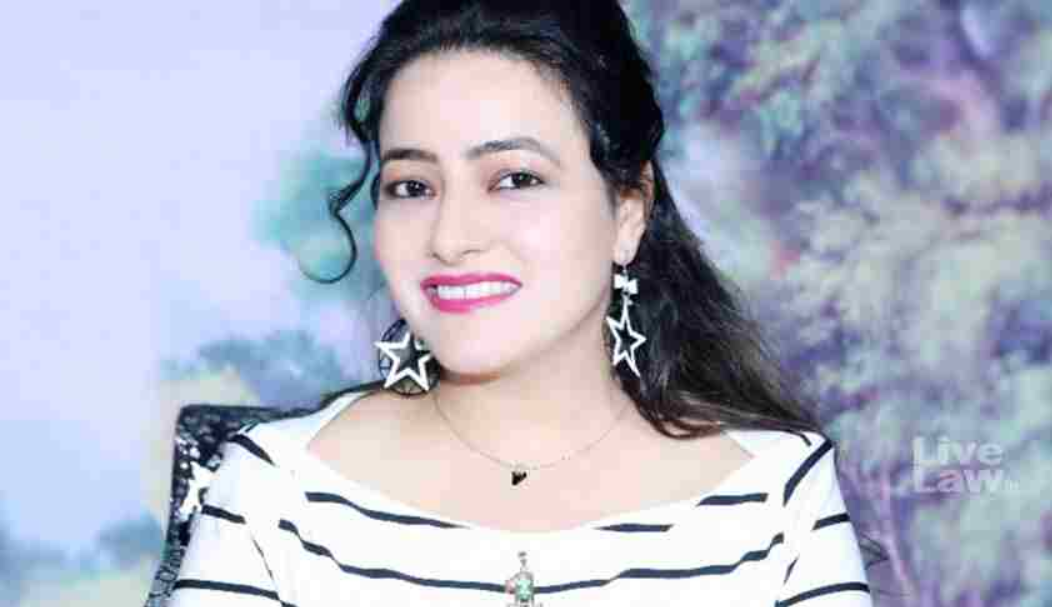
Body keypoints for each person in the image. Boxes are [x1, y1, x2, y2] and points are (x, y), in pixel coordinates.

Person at [167, 1, 884, 605]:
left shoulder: (775, 494)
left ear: (628, 208)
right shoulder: (276, 490)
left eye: (514, 179)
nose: (451, 237)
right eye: (413, 186)